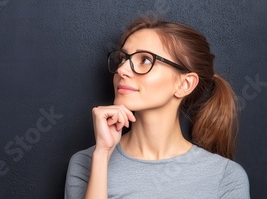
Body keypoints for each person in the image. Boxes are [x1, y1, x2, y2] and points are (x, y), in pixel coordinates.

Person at [64, 17, 250, 199]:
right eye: (123, 59)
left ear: (185, 84)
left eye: (145, 60)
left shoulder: (226, 177)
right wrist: (102, 154)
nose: (122, 70)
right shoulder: (86, 163)